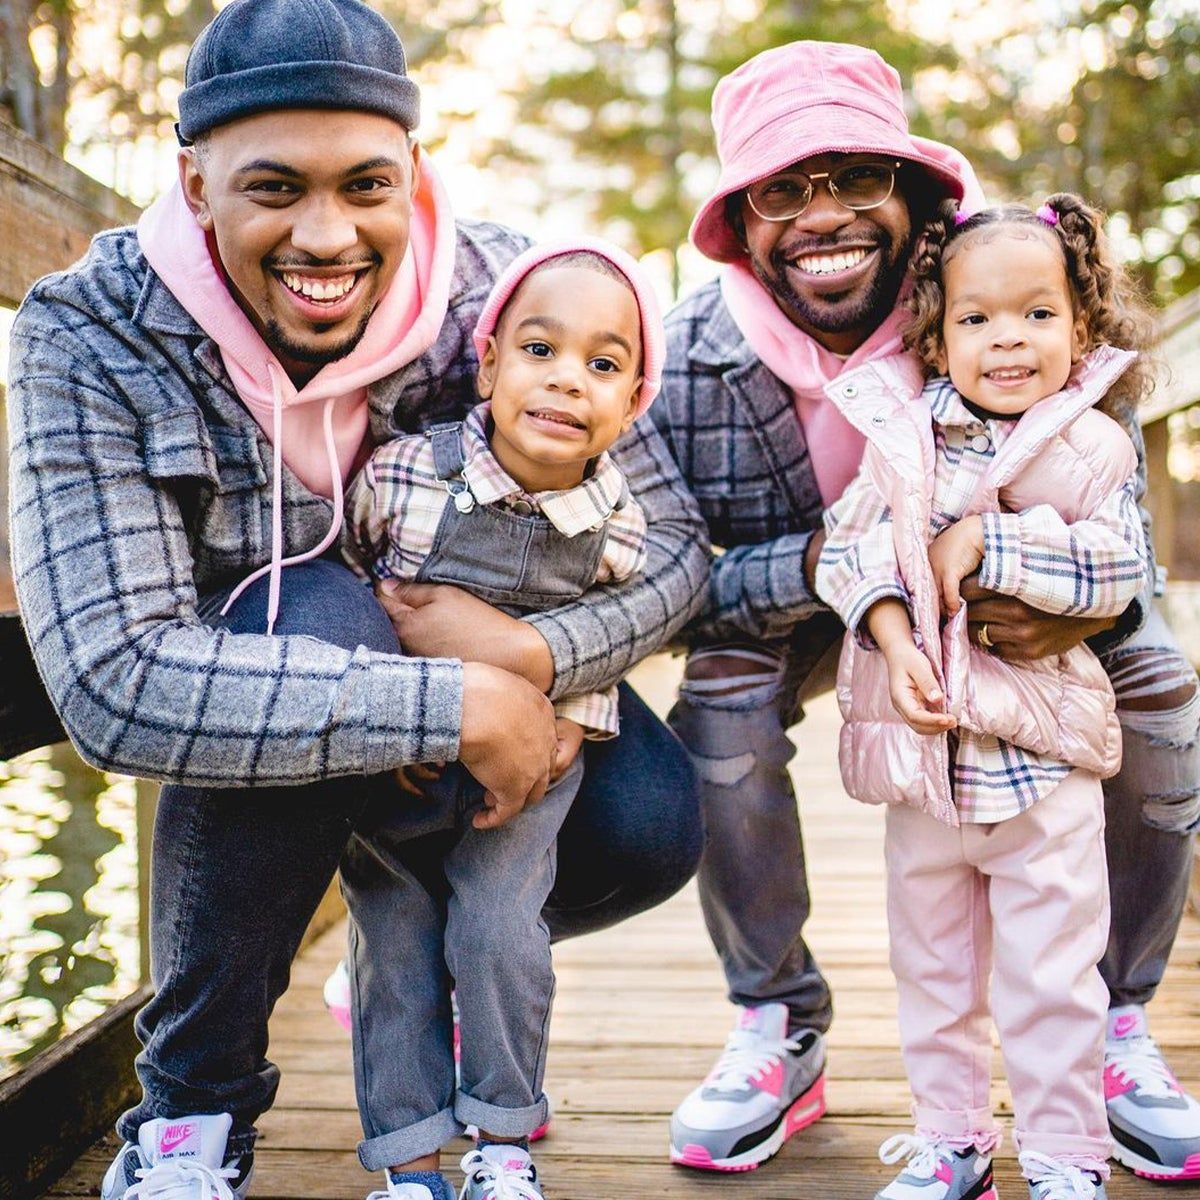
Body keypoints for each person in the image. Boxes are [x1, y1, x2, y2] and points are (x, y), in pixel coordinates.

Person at [5, 3, 708, 1198]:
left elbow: (677, 543)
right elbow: (117, 682)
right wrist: (458, 705)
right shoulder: (95, 332)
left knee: (648, 823)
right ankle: (191, 1119)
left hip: (479, 661)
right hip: (256, 683)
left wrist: (529, 659)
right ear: (194, 179)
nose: (326, 236)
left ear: (413, 172)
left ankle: (410, 936)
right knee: (306, 619)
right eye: (273, 188)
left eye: (365, 186)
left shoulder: (505, 296)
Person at [656, 39, 1200, 1180]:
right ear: (743, 223)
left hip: (1027, 584)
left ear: (914, 199)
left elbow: (1117, 517)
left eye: (857, 176)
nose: (824, 216)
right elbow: (680, 572)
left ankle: (1115, 1018)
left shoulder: (1011, 294)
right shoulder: (691, 355)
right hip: (818, 589)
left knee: (1156, 682)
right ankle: (777, 1021)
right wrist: (863, 586)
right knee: (720, 695)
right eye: (783, 189)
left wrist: (1058, 604)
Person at [817, 193, 1153, 1200]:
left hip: (1041, 768)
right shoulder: (901, 435)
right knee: (933, 975)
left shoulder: (1093, 448)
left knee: (1052, 980)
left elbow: (1114, 566)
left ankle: (1064, 1157)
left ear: (1082, 327)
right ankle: (954, 1144)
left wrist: (986, 541)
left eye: (1038, 314)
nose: (1008, 338)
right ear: (937, 332)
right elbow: (849, 547)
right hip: (926, 770)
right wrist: (886, 627)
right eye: (977, 318)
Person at [333, 238, 663, 1200]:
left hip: (529, 776)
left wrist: (576, 722)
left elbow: (602, 638)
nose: (568, 382)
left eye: (604, 366)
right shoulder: (403, 476)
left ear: (633, 398)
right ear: (487, 364)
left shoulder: (620, 523)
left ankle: (504, 1137)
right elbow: (353, 591)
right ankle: (408, 1159)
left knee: (501, 935)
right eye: (539, 350)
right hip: (398, 754)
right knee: (391, 943)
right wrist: (385, 721)